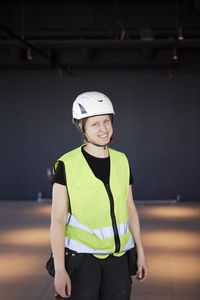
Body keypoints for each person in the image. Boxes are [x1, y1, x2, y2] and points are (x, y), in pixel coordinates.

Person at [50, 91, 148, 300]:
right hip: (83, 260)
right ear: (81, 126)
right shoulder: (67, 164)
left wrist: (141, 253)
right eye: (94, 124)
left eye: (106, 121)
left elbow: (130, 210)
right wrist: (59, 269)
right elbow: (57, 220)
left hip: (119, 258)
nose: (103, 129)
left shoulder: (122, 160)